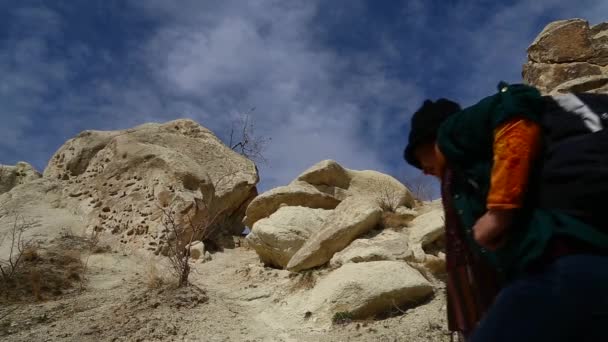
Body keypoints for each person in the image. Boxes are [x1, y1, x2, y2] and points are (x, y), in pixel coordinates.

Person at [403, 82, 608, 341]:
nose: (422, 169)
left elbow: (515, 107)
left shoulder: (452, 132)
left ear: (429, 140)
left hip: (556, 262)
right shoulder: (468, 179)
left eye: (418, 157)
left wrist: (499, 210)